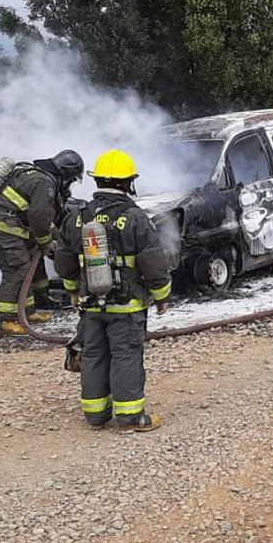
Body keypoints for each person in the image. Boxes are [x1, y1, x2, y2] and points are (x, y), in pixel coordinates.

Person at [53, 150, 172, 432]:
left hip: (90, 304)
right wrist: (162, 295)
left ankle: (96, 416)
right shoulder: (134, 217)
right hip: (127, 305)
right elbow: (153, 260)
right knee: (126, 354)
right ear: (128, 183)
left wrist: (73, 291)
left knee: (94, 354)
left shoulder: (77, 216)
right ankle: (130, 418)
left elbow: (65, 261)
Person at [0, 150, 84, 336]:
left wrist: (54, 238)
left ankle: (27, 311)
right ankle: (6, 321)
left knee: (27, 265)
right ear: (65, 173)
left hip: (6, 224)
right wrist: (45, 243)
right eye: (72, 179)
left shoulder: (34, 173)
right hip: (2, 226)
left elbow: (39, 216)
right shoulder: (45, 183)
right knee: (16, 269)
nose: (69, 184)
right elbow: (39, 217)